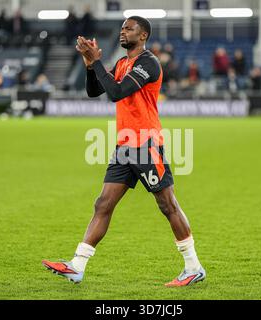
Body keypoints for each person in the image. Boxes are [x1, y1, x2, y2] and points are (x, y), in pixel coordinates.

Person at [42, 16, 206, 287]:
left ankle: (193, 267)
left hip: (146, 144)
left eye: (129, 29)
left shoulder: (148, 63)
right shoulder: (121, 63)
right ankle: (77, 265)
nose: (122, 32)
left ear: (142, 36)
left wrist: (96, 62)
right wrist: (88, 65)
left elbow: (117, 92)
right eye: (121, 28)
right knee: (103, 204)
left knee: (167, 204)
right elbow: (95, 91)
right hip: (124, 146)